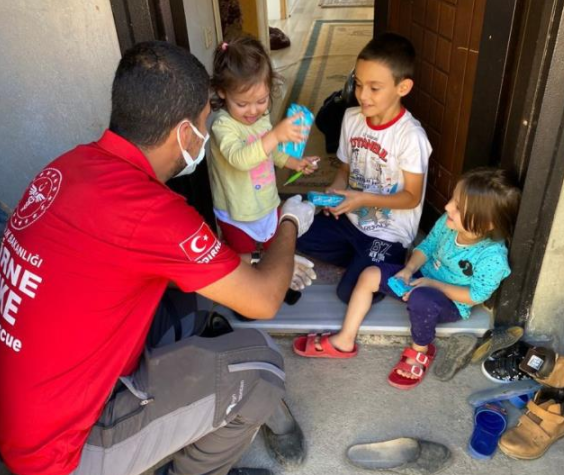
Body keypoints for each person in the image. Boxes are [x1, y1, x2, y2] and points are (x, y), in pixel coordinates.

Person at [0, 41, 316, 475]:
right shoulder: (151, 210)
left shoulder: (67, 166)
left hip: (28, 412)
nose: (205, 137)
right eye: (205, 126)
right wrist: (290, 222)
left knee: (207, 304)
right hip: (62, 453)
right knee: (260, 366)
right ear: (185, 134)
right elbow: (263, 299)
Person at [294, 169, 521, 392]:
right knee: (370, 274)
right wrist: (408, 270)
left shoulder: (492, 258)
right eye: (453, 200)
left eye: (458, 207)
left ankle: (420, 350)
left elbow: (476, 296)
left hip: (450, 301)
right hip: (422, 280)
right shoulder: (448, 223)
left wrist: (432, 285)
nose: (447, 207)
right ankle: (345, 338)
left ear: (487, 223)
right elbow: (427, 247)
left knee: (421, 299)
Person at [296, 32, 432, 311]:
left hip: (388, 232)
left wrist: (361, 199)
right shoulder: (351, 118)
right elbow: (345, 168)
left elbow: (411, 197)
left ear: (402, 87)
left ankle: (376, 260)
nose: (362, 95)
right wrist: (335, 193)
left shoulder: (410, 137)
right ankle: (362, 257)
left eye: (374, 88)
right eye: (358, 84)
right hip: (350, 219)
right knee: (292, 228)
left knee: (350, 293)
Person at [208, 36, 319, 306]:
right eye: (242, 104)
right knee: (245, 259)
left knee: (274, 250)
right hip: (237, 211)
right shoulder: (223, 126)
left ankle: (279, 282)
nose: (253, 111)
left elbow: (270, 152)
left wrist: (294, 163)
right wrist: (275, 135)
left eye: (261, 101)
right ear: (223, 92)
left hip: (266, 202)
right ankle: (245, 299)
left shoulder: (262, 118)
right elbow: (241, 158)